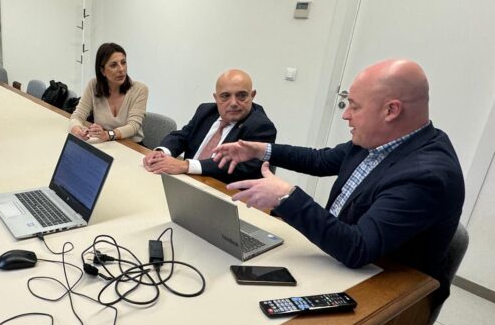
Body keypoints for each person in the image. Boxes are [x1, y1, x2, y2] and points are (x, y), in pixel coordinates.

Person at [214, 59, 464, 304]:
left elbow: (357, 249)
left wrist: (286, 197)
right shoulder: (380, 138)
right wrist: (260, 150)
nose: (345, 115)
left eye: (354, 106)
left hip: (395, 287)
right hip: (340, 252)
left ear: (391, 110)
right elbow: (320, 160)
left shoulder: (426, 175)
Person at [142, 69, 276, 183]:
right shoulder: (205, 111)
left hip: (224, 193)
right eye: (225, 96)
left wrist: (185, 165)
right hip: (185, 181)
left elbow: (238, 167)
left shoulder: (261, 127)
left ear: (252, 96)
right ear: (216, 97)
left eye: (241, 96)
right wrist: (161, 152)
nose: (234, 103)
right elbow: (182, 136)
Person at [69, 43, 149, 143]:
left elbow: (133, 127)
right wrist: (78, 131)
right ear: (102, 71)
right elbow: (77, 116)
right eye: (113, 65)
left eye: (123, 62)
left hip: (131, 146)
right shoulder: (93, 85)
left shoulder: (140, 89)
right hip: (105, 144)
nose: (121, 69)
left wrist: (108, 134)